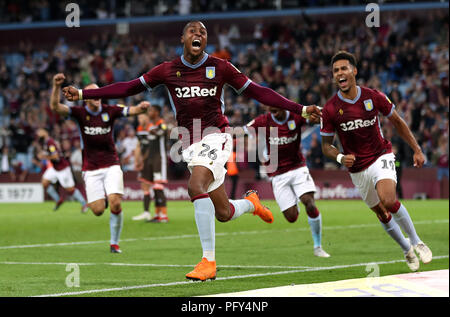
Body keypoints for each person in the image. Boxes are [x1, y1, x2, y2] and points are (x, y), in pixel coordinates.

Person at [62, 21, 321, 281]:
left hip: (216, 137)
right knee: (223, 213)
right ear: (183, 38)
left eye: (203, 32)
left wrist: (299, 108)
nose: (198, 34)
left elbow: (258, 91)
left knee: (195, 186)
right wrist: (84, 94)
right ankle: (251, 204)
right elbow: (129, 87)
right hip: (189, 145)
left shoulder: (221, 68)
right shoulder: (167, 70)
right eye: (192, 31)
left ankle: (208, 262)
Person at [320, 51, 432, 271]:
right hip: (357, 169)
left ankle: (417, 241)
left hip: (381, 155)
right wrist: (341, 157)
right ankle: (406, 250)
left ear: (354, 71)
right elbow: (326, 146)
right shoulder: (330, 109)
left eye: (344, 68)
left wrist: (417, 150)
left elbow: (398, 122)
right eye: (335, 71)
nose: (339, 73)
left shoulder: (374, 96)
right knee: (381, 212)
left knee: (388, 200)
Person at [50, 73, 149, 253]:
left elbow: (129, 110)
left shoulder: (109, 110)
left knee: (115, 203)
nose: (96, 97)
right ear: (85, 98)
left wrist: (141, 108)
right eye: (92, 94)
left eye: (98, 93)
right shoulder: (80, 114)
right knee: (97, 210)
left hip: (111, 163)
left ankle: (114, 243)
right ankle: (102, 198)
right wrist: (56, 86)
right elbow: (55, 107)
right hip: (91, 167)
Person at [246, 106, 330, 258]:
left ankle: (318, 246)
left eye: (276, 110)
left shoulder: (295, 116)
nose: (273, 113)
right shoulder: (264, 120)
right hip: (278, 175)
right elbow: (243, 131)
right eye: (271, 111)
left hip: (298, 168)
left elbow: (315, 114)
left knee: (309, 203)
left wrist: (319, 117)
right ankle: (294, 200)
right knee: (291, 218)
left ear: (282, 105)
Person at [36, 128, 88, 213]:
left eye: (40, 132)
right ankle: (58, 200)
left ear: (45, 132)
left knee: (70, 190)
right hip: (55, 168)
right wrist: (43, 154)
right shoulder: (45, 142)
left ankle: (84, 203)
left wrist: (44, 157)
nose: (38, 134)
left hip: (63, 168)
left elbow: (56, 156)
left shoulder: (50, 142)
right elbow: (50, 153)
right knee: (44, 182)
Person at [133, 103, 169, 223]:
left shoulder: (161, 124)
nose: (149, 113)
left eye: (151, 111)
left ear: (156, 113)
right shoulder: (151, 125)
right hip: (152, 159)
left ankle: (163, 215)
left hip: (160, 158)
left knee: (159, 187)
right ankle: (157, 214)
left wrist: (151, 130)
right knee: (154, 187)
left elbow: (162, 132)